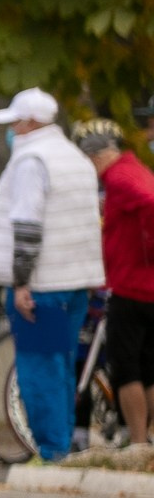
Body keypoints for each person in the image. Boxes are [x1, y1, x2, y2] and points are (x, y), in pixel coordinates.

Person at [0, 90, 104, 460]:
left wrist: (20, 283)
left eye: (15, 123)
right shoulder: (77, 159)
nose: (13, 130)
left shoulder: (32, 161)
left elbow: (27, 228)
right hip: (76, 283)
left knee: (38, 371)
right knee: (62, 367)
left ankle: (53, 451)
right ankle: (63, 445)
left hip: (43, 287)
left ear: (31, 123)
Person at [78, 120, 151, 456]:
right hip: (145, 286)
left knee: (127, 369)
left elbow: (149, 204)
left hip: (130, 287)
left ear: (95, 157)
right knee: (149, 370)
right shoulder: (138, 169)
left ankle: (137, 442)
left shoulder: (119, 179)